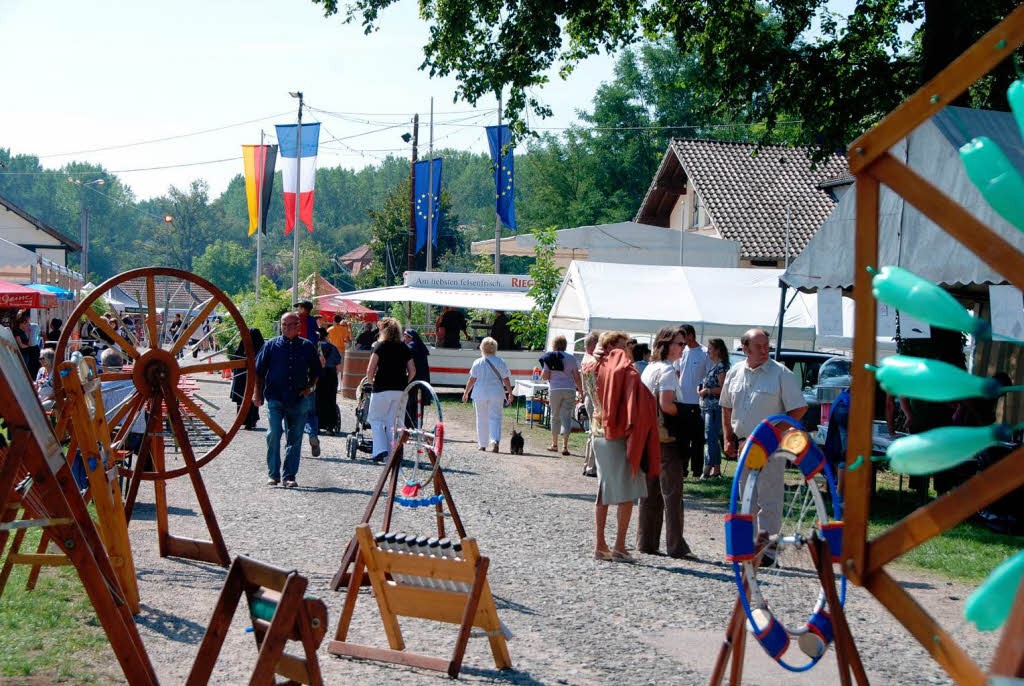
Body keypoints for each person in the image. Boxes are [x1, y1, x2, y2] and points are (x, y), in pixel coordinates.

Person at [721, 328, 806, 560]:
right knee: (746, 498)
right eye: (759, 346)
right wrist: (727, 437)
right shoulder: (735, 372)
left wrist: (768, 435)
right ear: (745, 349)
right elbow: (726, 405)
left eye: (766, 345)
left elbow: (798, 409)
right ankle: (749, 548)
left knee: (769, 499)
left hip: (770, 447)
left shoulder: (781, 374)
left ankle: (767, 553)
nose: (765, 349)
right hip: (743, 445)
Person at [585, 330, 659, 563]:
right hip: (616, 435)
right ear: (614, 347)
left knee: (604, 490)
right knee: (626, 491)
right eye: (624, 345)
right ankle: (619, 545)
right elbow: (634, 398)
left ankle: (600, 543)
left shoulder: (590, 366)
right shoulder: (621, 369)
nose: (628, 350)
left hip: (597, 432)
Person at [638, 326, 691, 558]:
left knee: (649, 495)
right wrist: (688, 414)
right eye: (680, 344)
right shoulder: (668, 372)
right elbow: (666, 404)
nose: (683, 348)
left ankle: (646, 541)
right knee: (672, 494)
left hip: (648, 437)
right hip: (667, 439)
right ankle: (675, 545)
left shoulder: (650, 369)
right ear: (667, 345)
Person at [254, 312, 322, 488]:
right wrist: (257, 394)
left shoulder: (307, 346)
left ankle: (289, 475)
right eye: (285, 325)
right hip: (275, 397)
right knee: (274, 434)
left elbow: (316, 371)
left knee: (295, 438)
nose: (288, 328)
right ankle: (273, 474)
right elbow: (259, 371)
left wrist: (309, 387)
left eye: (292, 325)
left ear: (298, 327)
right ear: (281, 326)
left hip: (299, 399)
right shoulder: (271, 345)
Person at [366, 318, 415, 462]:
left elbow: (370, 370)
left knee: (375, 419)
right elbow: (412, 370)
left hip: (381, 388)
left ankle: (380, 450)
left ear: (384, 330)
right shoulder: (404, 347)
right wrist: (405, 383)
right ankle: (392, 454)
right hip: (400, 390)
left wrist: (372, 383)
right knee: (393, 423)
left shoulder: (380, 346)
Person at [462, 337, 513, 452]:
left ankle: (482, 444)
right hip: (496, 393)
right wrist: (510, 393)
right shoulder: (500, 361)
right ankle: (495, 441)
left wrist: (466, 393)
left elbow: (472, 380)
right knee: (495, 418)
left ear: (482, 348)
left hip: (480, 394)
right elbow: (506, 379)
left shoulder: (477, 362)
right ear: (495, 348)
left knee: (481, 419)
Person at [540, 335, 582, 456]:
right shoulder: (571, 358)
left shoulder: (550, 357)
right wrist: (581, 391)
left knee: (555, 416)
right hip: (569, 389)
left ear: (554, 345)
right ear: (565, 345)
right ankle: (565, 446)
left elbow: (545, 376)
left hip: (555, 389)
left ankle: (554, 444)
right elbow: (577, 377)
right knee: (566, 416)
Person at [698, 338, 730, 479]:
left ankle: (707, 468)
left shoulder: (721, 367)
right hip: (707, 407)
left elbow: (723, 389)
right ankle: (716, 469)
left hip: (715, 408)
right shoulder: (714, 366)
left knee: (710, 437)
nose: (708, 351)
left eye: (710, 348)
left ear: (717, 350)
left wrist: (708, 391)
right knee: (712, 438)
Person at [230, 328, 265, 430]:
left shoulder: (243, 347)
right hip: (254, 377)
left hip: (242, 377)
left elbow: (236, 358)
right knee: (252, 399)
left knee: (243, 399)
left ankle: (243, 419)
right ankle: (251, 421)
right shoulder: (261, 348)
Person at [580, 330, 601, 477]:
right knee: (595, 433)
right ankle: (591, 467)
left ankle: (588, 464)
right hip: (595, 399)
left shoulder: (585, 358)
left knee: (591, 433)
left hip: (589, 396)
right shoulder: (593, 361)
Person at [403, 329, 432, 428]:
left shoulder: (411, 346)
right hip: (422, 379)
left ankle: (409, 426)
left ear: (411, 338)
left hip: (413, 378)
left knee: (410, 403)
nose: (404, 338)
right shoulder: (420, 347)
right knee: (419, 404)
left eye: (406, 336)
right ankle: (417, 425)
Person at [315, 337, 342, 435]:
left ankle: (317, 426)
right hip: (331, 375)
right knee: (330, 400)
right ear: (326, 337)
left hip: (317, 375)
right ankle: (330, 427)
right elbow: (338, 367)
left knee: (317, 399)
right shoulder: (333, 348)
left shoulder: (314, 346)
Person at [327, 314, 354, 390]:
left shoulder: (329, 330)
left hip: (331, 351)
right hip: (341, 351)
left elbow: (327, 340)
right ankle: (340, 386)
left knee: (331, 368)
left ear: (333, 320)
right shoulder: (344, 330)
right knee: (341, 369)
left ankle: (331, 384)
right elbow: (346, 340)